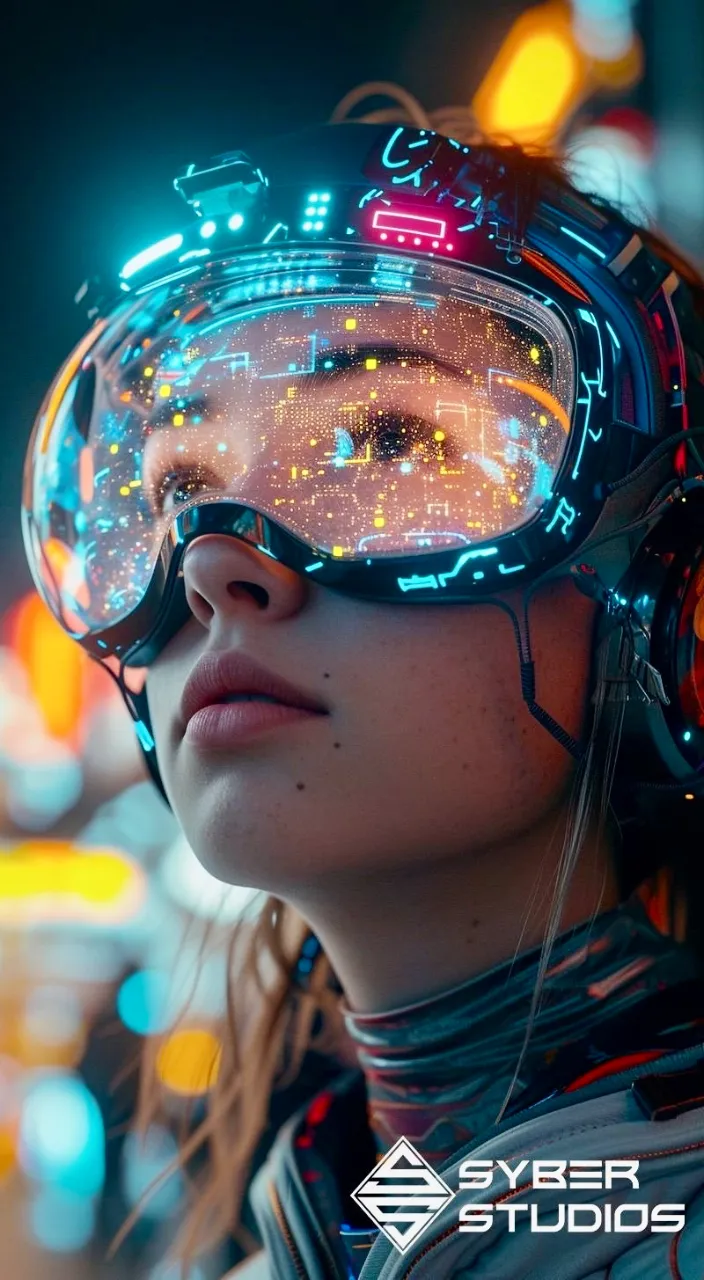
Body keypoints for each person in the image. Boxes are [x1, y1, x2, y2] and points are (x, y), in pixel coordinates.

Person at [21, 84, 704, 1280]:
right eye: (177, 483)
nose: (215, 562)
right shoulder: (309, 1238)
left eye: (384, 440)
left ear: (664, 578)